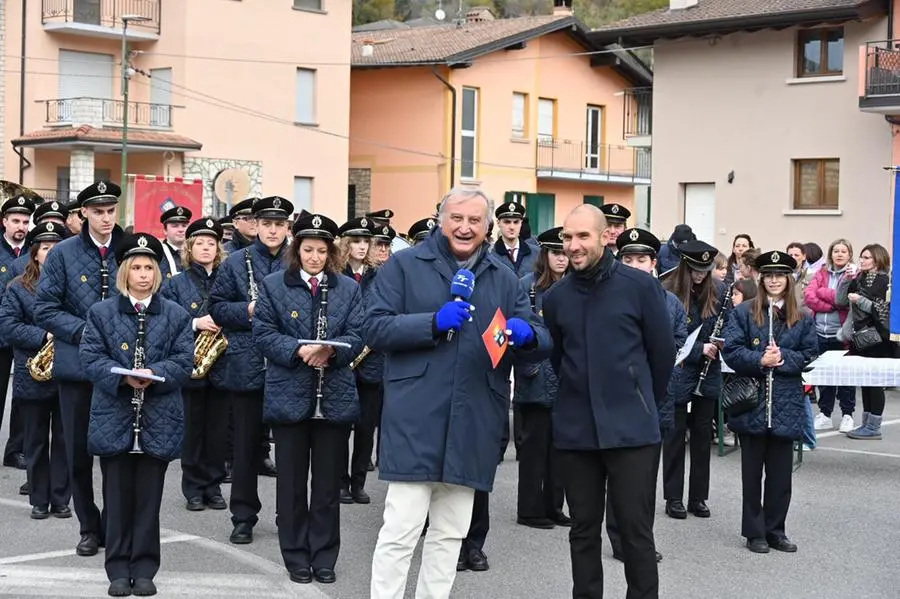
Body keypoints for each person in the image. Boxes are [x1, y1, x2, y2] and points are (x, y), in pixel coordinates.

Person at [366, 187, 549, 599]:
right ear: (441, 219)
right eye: (457, 218)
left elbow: (539, 333)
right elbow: (374, 326)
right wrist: (431, 322)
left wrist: (528, 335)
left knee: (449, 535)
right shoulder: (405, 266)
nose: (465, 228)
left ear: (488, 227)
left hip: (474, 419)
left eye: (474, 221)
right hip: (416, 418)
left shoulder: (504, 277)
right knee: (400, 532)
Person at [543, 205, 675, 599]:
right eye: (567, 237)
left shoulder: (640, 286)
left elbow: (662, 355)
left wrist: (640, 400)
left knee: (636, 533)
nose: (573, 245)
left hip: (632, 429)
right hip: (576, 432)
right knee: (582, 532)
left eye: (583, 236)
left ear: (606, 237)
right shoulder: (555, 297)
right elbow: (558, 357)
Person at [253, 212, 364, 585]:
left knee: (328, 486)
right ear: (296, 249)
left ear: (331, 253)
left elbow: (359, 333)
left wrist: (332, 352)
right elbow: (263, 333)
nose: (314, 257)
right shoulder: (272, 285)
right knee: (291, 485)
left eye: (321, 250)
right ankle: (296, 556)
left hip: (334, 397)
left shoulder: (348, 288)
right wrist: (300, 350)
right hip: (290, 395)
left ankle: (324, 555)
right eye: (307, 249)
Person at [80, 232, 193, 597]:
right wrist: (122, 376)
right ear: (125, 272)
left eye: (150, 267)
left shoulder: (175, 314)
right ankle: (116, 568)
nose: (143, 274)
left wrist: (155, 376)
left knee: (149, 498)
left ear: (158, 273)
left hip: (157, 416)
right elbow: (91, 357)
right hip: (115, 415)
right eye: (137, 267)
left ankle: (144, 567)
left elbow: (183, 361)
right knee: (116, 496)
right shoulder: (101, 312)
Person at [35, 180, 126, 556]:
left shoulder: (131, 248)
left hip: (121, 368)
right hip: (76, 369)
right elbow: (45, 309)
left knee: (118, 454)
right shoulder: (63, 254)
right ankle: (89, 526)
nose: (106, 218)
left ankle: (116, 526)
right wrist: (87, 330)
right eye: (98, 212)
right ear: (83, 214)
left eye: (111, 211)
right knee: (77, 452)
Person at [722, 250, 817, 554]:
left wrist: (784, 358)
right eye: (769, 275)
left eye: (780, 275)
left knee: (780, 475)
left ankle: (776, 529)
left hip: (786, 401)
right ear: (761, 279)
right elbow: (732, 351)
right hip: (753, 401)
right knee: (752, 474)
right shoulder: (743, 313)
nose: (774, 280)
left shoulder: (802, 316)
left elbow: (810, 352)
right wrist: (759, 359)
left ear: (788, 280)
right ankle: (754, 531)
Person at [209, 195, 292, 544]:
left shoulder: (297, 259)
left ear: (288, 227)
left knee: (289, 450)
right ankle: (243, 516)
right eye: (267, 223)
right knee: (244, 449)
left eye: (279, 224)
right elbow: (217, 308)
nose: (273, 230)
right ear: (255, 226)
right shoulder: (235, 262)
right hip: (247, 365)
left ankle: (288, 516)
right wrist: (249, 309)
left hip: (290, 369)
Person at [608, 227, 691, 564]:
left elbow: (679, 337)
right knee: (617, 475)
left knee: (644, 478)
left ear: (653, 262)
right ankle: (618, 540)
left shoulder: (668, 302)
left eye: (641, 259)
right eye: (628, 258)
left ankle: (641, 540)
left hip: (655, 396)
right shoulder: (608, 296)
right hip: (616, 397)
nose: (635, 264)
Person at [0, 221, 71, 519]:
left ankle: (61, 498)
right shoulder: (18, 286)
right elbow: (8, 325)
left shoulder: (72, 287)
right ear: (35, 253)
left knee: (65, 441)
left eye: (56, 247)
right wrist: (43, 335)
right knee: (36, 440)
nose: (51, 251)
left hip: (67, 373)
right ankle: (39, 499)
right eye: (45, 247)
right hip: (33, 373)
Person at [161, 217, 229, 511]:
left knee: (218, 431)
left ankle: (213, 485)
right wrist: (195, 322)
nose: (205, 248)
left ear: (218, 248)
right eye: (199, 243)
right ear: (189, 247)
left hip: (223, 364)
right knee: (192, 430)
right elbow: (164, 320)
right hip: (191, 365)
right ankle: (193, 488)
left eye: (211, 243)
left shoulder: (228, 279)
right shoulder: (176, 283)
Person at [661, 240, 725, 521]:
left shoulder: (719, 291)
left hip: (707, 374)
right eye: (696, 270)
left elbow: (729, 327)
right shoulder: (669, 290)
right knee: (674, 437)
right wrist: (700, 348)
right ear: (686, 266)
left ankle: (698, 497)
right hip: (679, 371)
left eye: (705, 270)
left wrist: (719, 344)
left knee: (702, 437)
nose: (700, 275)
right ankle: (673, 497)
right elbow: (668, 335)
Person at [514, 226, 570, 530]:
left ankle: (554, 506)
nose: (561, 259)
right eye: (555, 253)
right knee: (535, 447)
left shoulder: (575, 285)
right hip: (536, 373)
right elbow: (518, 329)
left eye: (564, 253)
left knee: (560, 448)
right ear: (545, 255)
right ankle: (530, 509)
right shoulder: (527, 286)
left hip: (564, 375)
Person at [335, 216, 379, 504]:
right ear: (345, 244)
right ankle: (339, 482)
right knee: (340, 425)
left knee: (366, 426)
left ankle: (359, 481)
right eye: (356, 241)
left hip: (373, 360)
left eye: (366, 241)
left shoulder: (380, 274)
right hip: (343, 358)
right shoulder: (336, 274)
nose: (362, 246)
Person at [836, 243, 896, 440]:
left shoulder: (885, 281)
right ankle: (866, 423)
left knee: (875, 382)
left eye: (867, 257)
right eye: (862, 257)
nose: (862, 260)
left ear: (878, 260)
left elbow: (884, 310)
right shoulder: (859, 278)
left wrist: (860, 301)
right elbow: (841, 301)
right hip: (860, 337)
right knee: (866, 381)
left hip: (878, 338)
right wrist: (846, 280)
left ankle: (874, 426)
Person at [805, 238, 856, 433]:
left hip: (842, 334)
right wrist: (833, 302)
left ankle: (847, 414)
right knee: (824, 377)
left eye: (844, 251)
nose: (840, 254)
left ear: (849, 254)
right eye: (836, 250)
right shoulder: (822, 272)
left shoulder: (853, 275)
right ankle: (825, 414)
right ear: (831, 253)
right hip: (820, 332)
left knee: (845, 377)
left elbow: (844, 301)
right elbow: (810, 296)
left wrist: (826, 295)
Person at [0, 194, 36, 471]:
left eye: (25, 221)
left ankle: (16, 450)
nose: (21, 226)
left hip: (26, 336)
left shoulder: (34, 252)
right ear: (4, 222)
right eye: (15, 221)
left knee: (23, 397)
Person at [493, 199, 536, 278]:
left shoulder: (537, 254)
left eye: (516, 222)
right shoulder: (490, 254)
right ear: (498, 223)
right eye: (507, 222)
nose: (512, 227)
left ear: (521, 223)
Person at [158, 205, 192, 279]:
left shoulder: (195, 253)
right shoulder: (159, 254)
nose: (181, 230)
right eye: (175, 226)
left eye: (184, 226)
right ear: (165, 230)